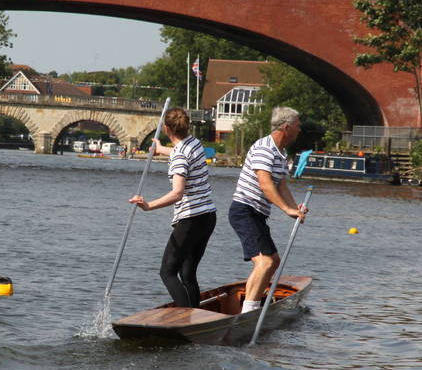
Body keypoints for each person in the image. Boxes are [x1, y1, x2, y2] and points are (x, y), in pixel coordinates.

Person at [129, 107, 217, 308]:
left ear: (167, 129)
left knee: (167, 272)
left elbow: (177, 192)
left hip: (191, 219)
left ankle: (185, 317)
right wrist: (161, 150)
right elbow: (181, 153)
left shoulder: (179, 157)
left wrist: (148, 205)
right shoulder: (194, 143)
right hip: (208, 217)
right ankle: (196, 315)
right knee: (187, 272)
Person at [227, 106, 308, 316]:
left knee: (274, 261)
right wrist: (286, 209)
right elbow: (265, 184)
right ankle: (249, 312)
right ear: (287, 127)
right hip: (244, 210)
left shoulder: (280, 153)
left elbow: (280, 185)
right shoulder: (264, 148)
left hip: (257, 214)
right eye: (298, 126)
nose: (300, 130)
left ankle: (253, 305)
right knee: (265, 262)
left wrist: (295, 207)